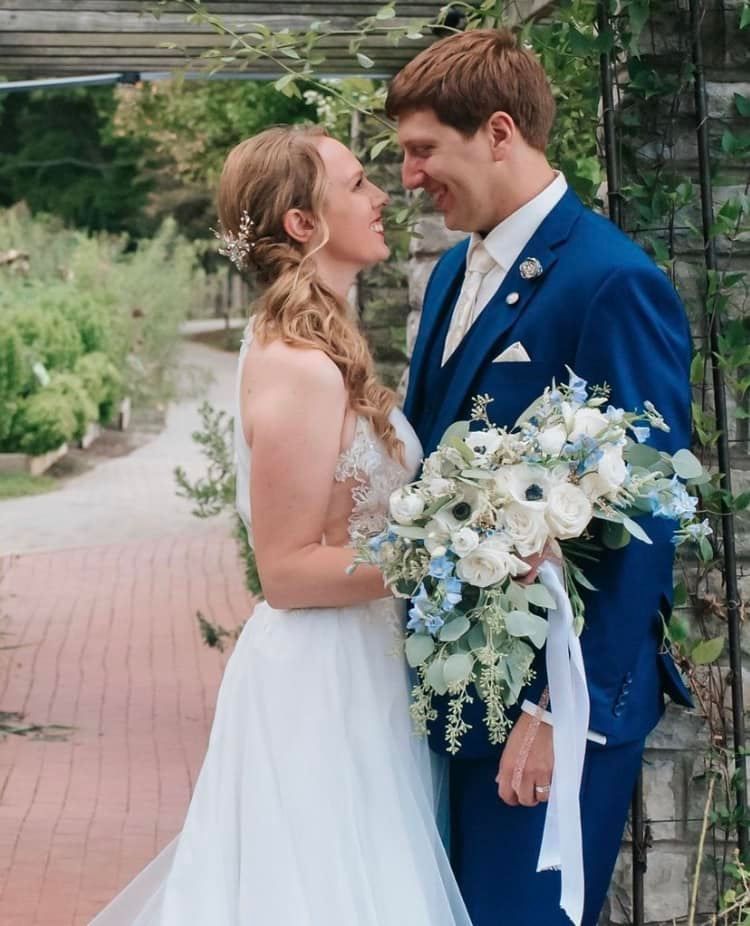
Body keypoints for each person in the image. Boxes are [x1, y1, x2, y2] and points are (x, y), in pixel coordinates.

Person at [89, 125, 472, 926]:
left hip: (364, 662)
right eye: (357, 183)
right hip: (318, 680)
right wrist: (450, 553)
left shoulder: (323, 344)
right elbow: (288, 572)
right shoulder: (297, 366)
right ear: (305, 224)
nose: (382, 197)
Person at [386, 28, 693, 926]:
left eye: (422, 151)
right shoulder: (454, 269)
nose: (410, 177)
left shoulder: (612, 281)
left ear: (500, 131)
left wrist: (561, 710)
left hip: (549, 707)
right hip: (455, 694)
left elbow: (648, 513)